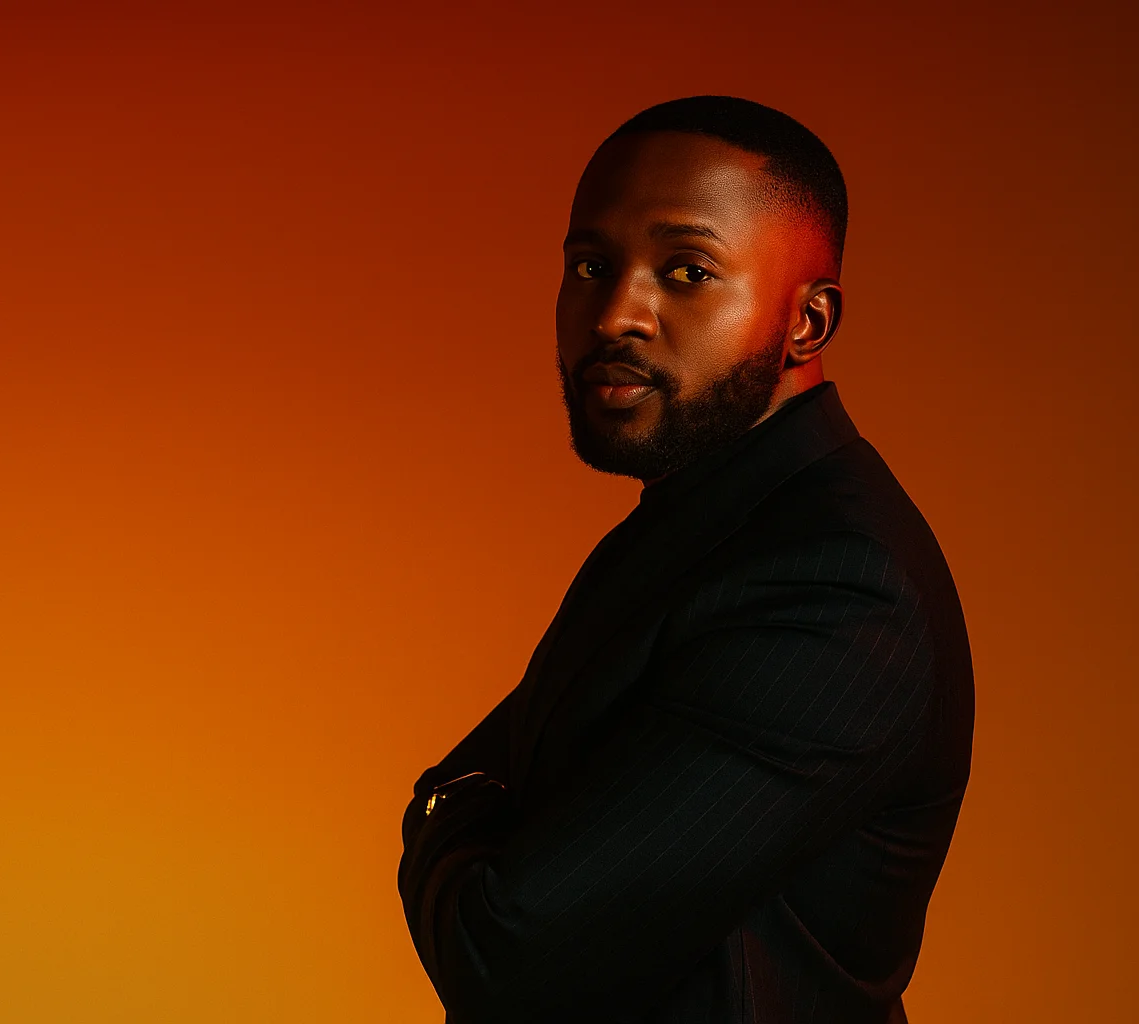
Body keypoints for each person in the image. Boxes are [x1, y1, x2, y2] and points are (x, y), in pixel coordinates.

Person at [398, 95, 974, 1024]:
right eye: (591, 265)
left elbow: (503, 951)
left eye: (686, 271)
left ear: (808, 323)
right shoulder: (702, 530)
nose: (617, 312)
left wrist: (442, 812)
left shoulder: (835, 586)